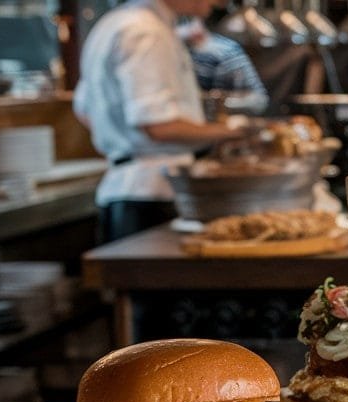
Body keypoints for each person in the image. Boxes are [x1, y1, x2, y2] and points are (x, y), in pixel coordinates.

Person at [74, 0, 243, 242]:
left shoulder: (115, 22)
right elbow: (158, 127)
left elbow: (84, 110)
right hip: (153, 195)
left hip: (125, 191)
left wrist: (122, 140)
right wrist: (232, 131)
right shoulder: (148, 32)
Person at [177, 17, 268, 111]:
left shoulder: (226, 52)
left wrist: (215, 101)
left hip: (218, 120)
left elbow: (259, 100)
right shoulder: (179, 52)